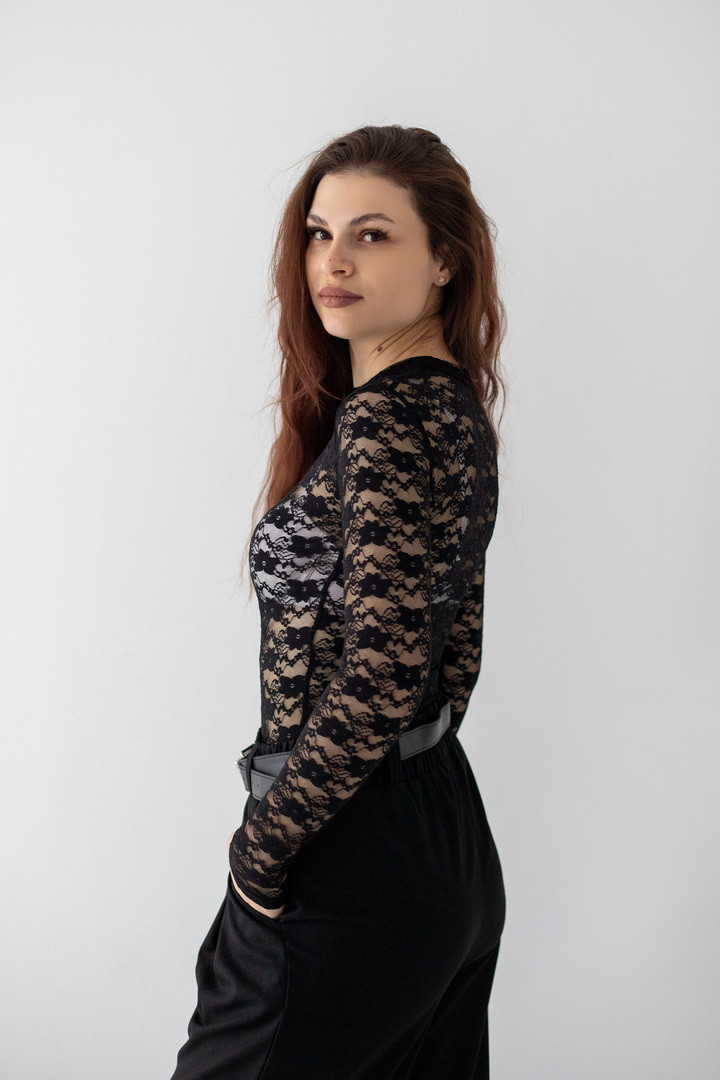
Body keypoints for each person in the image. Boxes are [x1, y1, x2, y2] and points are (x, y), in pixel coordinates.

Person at [170, 123, 508, 1080]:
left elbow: (386, 674)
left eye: (373, 235)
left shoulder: (387, 420)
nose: (334, 261)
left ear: (445, 259)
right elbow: (456, 652)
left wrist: (263, 847)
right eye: (320, 233)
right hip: (441, 841)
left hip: (343, 858)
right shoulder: (454, 407)